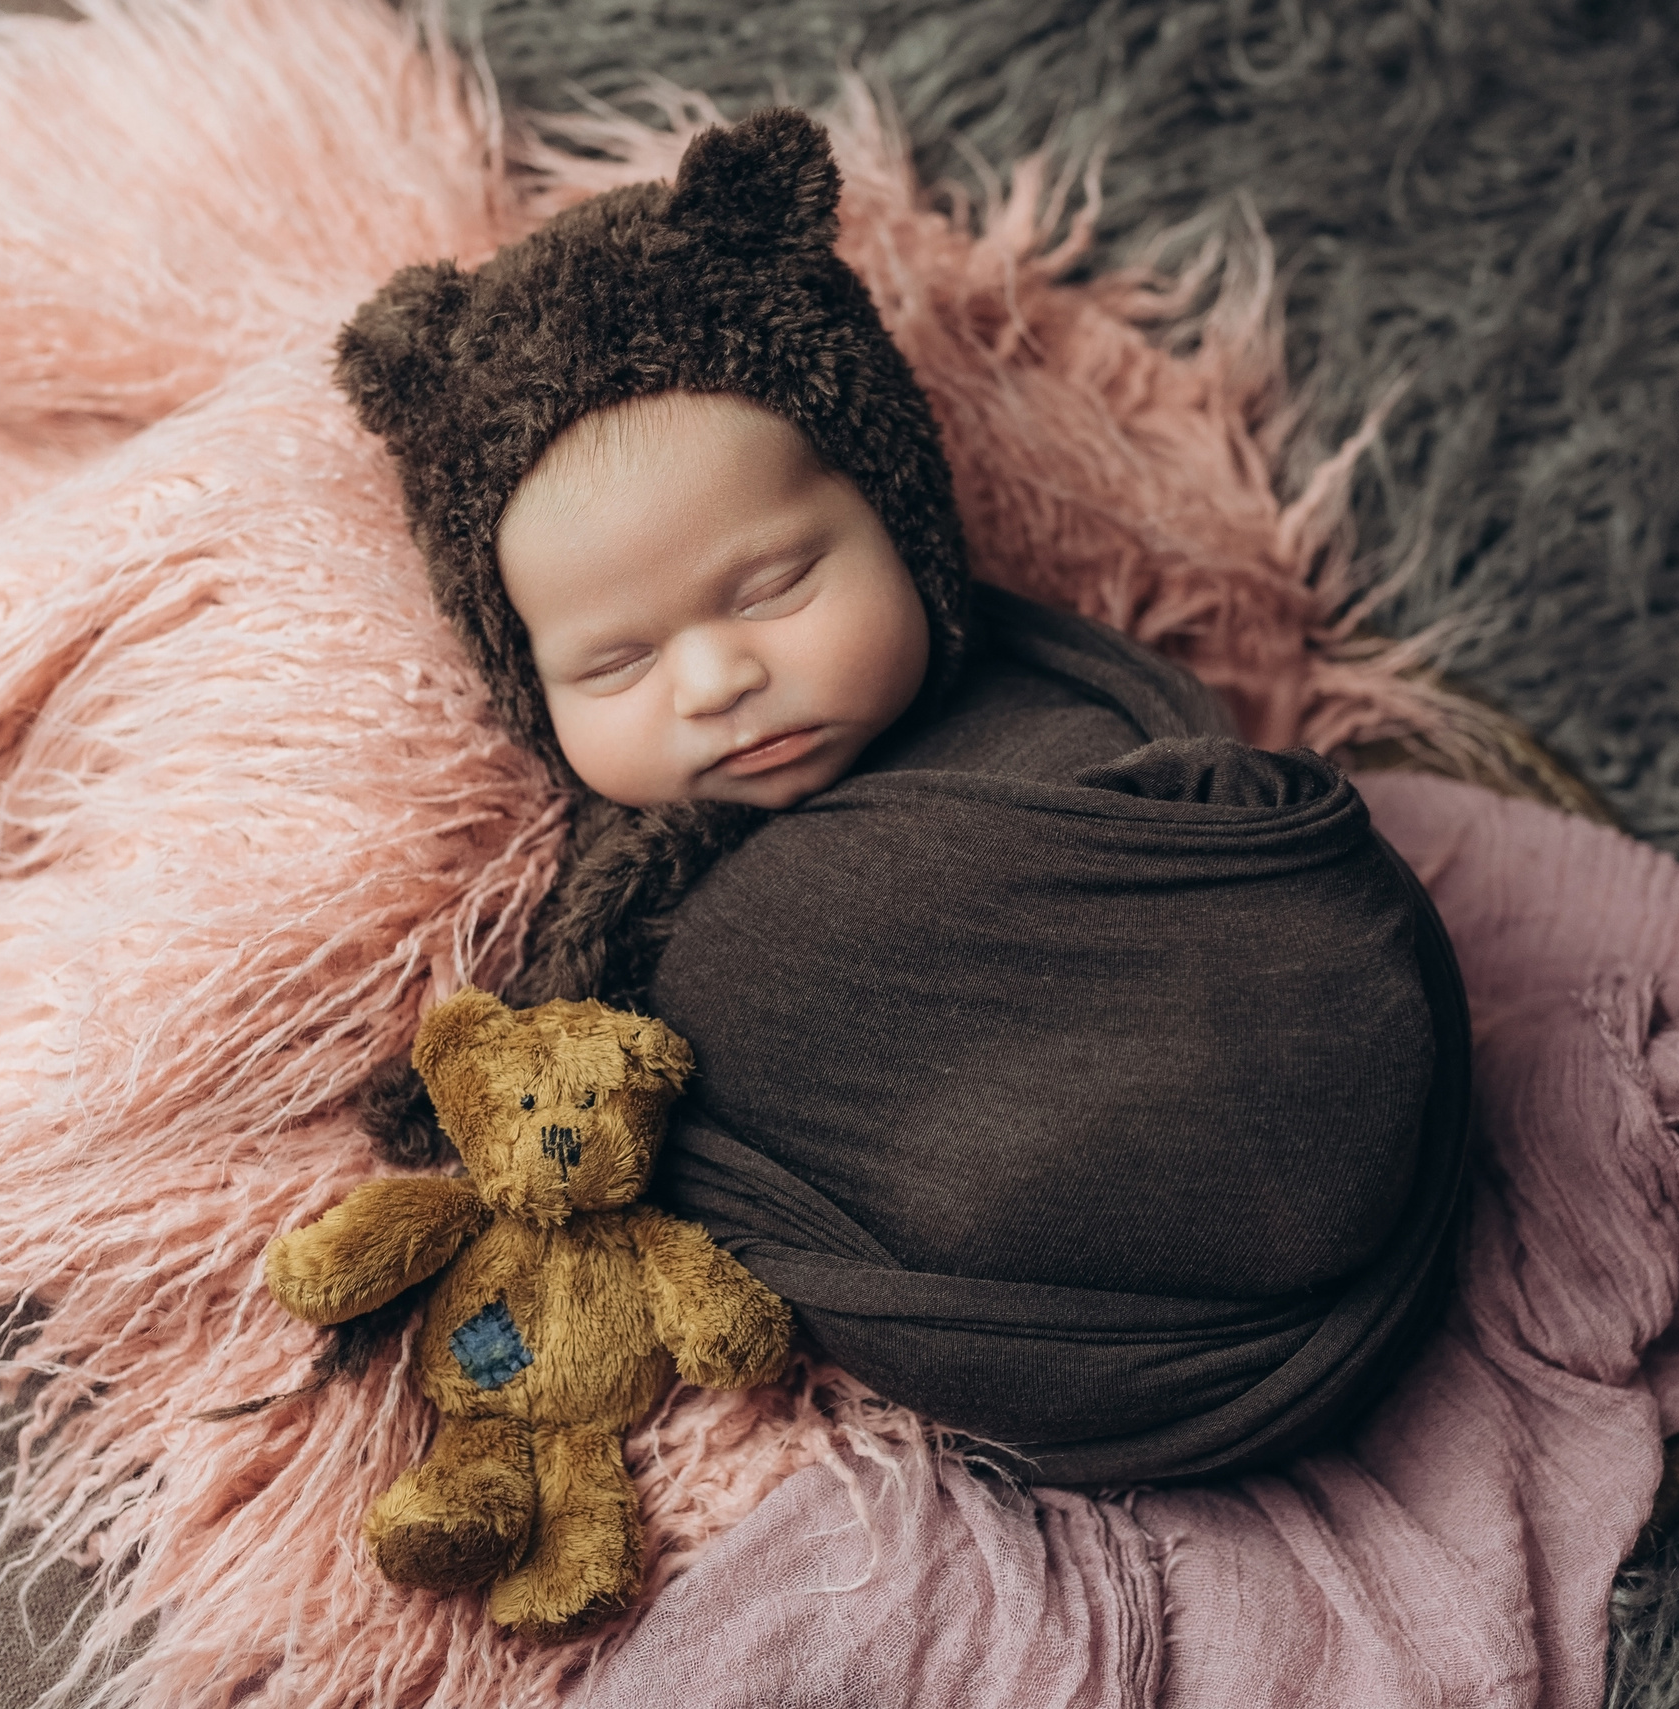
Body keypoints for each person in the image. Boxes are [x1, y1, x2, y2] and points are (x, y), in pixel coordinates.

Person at [334, 107, 1471, 1484]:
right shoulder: (653, 931)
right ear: (531, 687)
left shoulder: (1063, 708)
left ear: (900, 520)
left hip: (1307, 1078)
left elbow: (1276, 902)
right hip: (1066, 1320)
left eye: (774, 587)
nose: (715, 681)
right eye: (615, 661)